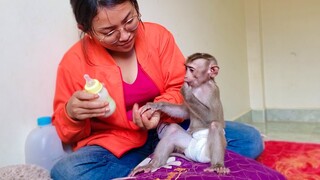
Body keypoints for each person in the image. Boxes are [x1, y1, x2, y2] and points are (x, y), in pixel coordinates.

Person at [50, 0, 264, 179]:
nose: (124, 35)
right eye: (109, 31)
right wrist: (71, 114)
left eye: (129, 21)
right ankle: (174, 159)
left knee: (250, 140)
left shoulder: (158, 37)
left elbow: (183, 89)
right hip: (120, 145)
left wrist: (159, 112)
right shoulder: (73, 63)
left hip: (174, 127)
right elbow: (66, 133)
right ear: (85, 29)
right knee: (66, 172)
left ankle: (166, 159)